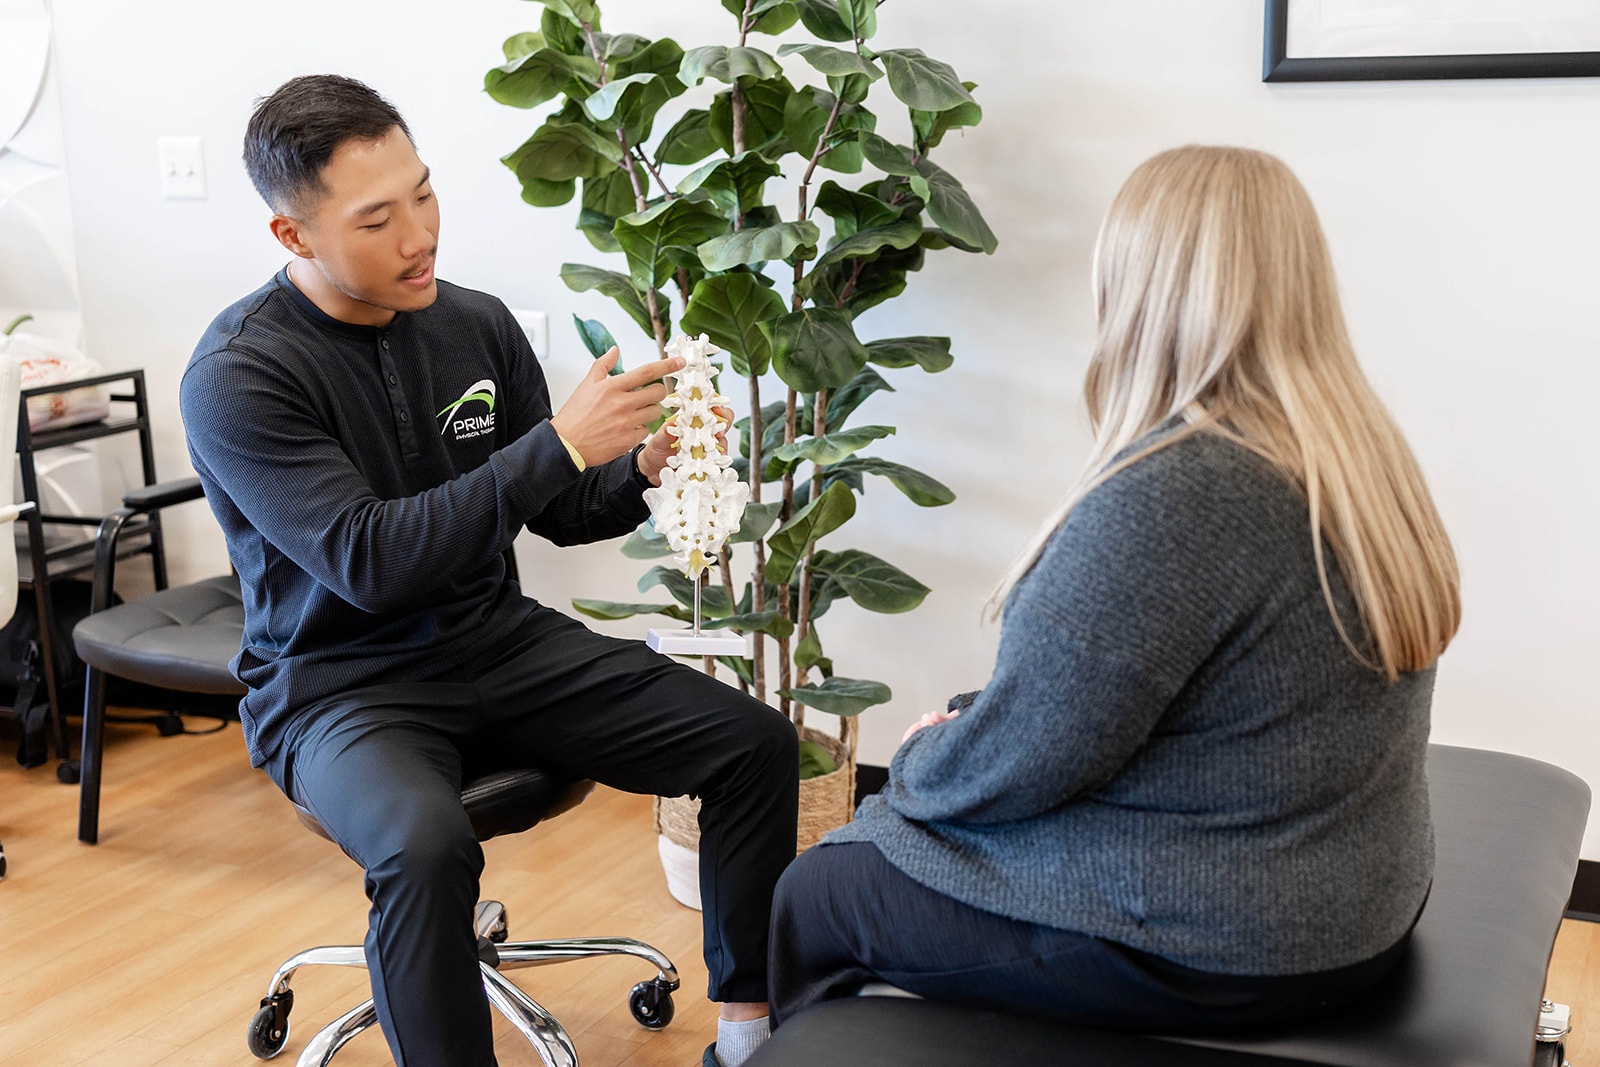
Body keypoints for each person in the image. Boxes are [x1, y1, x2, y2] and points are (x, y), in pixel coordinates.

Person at [767, 145, 1461, 1033]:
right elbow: (1153, 685)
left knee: (824, 885)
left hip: (1235, 941)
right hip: (1355, 895)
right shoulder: (1353, 452)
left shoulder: (1177, 489)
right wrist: (979, 726)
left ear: (1140, 292)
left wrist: (919, 757)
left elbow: (1015, 761)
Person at [180, 74, 796, 1067]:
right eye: (378, 217)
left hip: (495, 644)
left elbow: (551, 509)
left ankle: (748, 1034)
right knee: (425, 848)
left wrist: (638, 466)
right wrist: (555, 442)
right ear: (294, 237)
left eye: (423, 193)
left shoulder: (475, 325)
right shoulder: (239, 374)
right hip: (341, 684)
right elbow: (368, 560)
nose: (419, 234)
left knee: (750, 741)